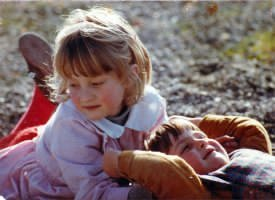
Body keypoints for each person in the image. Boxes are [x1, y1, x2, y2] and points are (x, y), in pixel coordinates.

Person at [0, 6, 170, 199]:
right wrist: (136, 195)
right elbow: (91, 192)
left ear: (131, 75)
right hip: (47, 185)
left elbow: (168, 150)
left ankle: (51, 92)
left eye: (96, 83)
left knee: (44, 128)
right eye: (74, 84)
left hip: (55, 139)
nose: (84, 96)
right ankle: (49, 93)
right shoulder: (71, 125)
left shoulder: (149, 105)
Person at [103, 114, 274, 199]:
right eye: (186, 147)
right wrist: (117, 162)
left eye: (201, 137)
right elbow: (163, 169)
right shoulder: (199, 190)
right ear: (179, 166)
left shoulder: (243, 151)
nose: (202, 143)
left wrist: (191, 122)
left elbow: (249, 128)